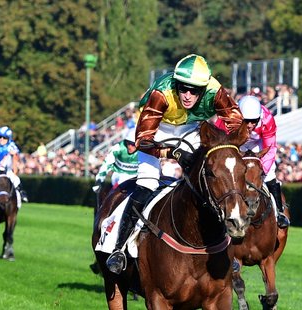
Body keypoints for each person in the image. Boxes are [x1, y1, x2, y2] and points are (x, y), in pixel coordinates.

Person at [105, 54, 243, 274]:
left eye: (194, 91)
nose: (188, 96)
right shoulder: (162, 93)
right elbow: (143, 141)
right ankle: (120, 248)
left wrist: (226, 146)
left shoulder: (215, 91)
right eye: (183, 88)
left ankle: (224, 247)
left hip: (191, 128)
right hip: (156, 128)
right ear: (176, 83)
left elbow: (237, 123)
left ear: (204, 88)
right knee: (147, 183)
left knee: (207, 184)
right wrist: (173, 153)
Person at [217, 95, 290, 228]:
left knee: (271, 172)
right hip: (235, 143)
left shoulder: (267, 119)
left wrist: (261, 170)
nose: (250, 125)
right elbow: (220, 143)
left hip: (258, 144)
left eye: (254, 121)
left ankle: (279, 212)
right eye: (247, 121)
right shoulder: (227, 118)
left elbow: (270, 148)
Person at [93, 128, 138, 193]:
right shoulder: (117, 148)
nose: (130, 146)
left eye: (134, 144)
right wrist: (99, 179)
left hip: (136, 177)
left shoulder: (144, 151)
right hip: (119, 175)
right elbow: (107, 164)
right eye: (128, 143)